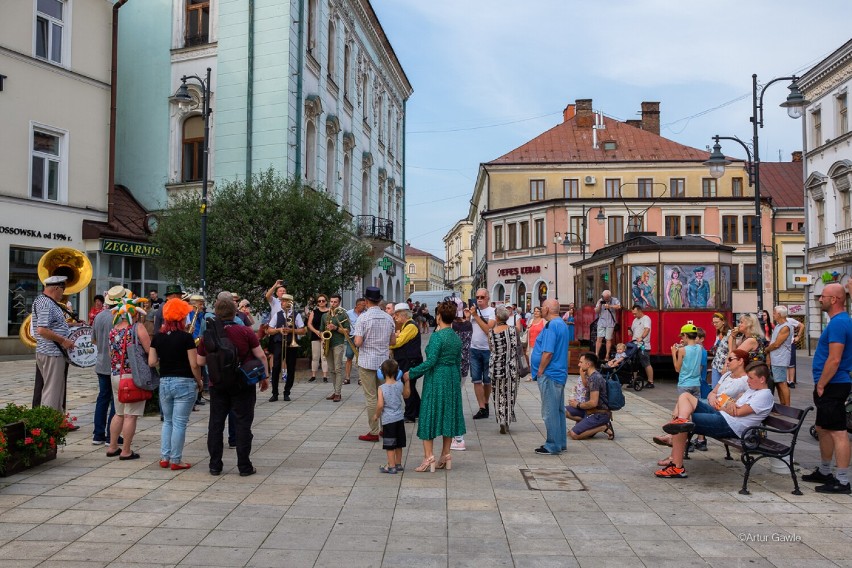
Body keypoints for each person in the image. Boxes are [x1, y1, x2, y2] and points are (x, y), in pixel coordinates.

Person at [654, 362, 774, 478]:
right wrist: (731, 406)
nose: (747, 380)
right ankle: (680, 422)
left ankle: (677, 467)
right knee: (685, 397)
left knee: (684, 422)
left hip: (730, 426)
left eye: (750, 378)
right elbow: (734, 406)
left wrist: (726, 407)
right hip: (723, 416)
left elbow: (737, 412)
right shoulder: (753, 390)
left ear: (762, 379)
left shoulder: (764, 395)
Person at [198, 298, 270, 476]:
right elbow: (261, 355)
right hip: (242, 383)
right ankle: (244, 466)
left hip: (218, 384)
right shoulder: (245, 331)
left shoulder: (209, 333)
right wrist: (265, 377)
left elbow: (200, 361)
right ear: (234, 312)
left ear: (216, 313)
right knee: (243, 424)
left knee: (215, 424)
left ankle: (215, 465)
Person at [801, 283, 852, 494]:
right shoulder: (837, 322)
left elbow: (835, 358)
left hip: (834, 383)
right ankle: (824, 471)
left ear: (834, 300)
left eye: (823, 296)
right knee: (823, 428)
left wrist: (822, 383)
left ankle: (842, 480)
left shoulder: (839, 323)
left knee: (838, 432)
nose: (819, 299)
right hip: (830, 383)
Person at [406, 301, 466, 472]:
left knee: (429, 413)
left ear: (439, 316)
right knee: (448, 413)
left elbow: (431, 361)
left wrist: (411, 373)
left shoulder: (437, 337)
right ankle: (445, 454)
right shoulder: (455, 337)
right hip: (452, 377)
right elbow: (457, 361)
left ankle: (429, 457)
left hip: (437, 377)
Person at [654, 349, 751, 450]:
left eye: (730, 359)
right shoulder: (727, 375)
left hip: (722, 413)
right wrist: (712, 398)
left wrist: (727, 404)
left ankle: (675, 439)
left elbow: (742, 402)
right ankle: (679, 439)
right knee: (684, 397)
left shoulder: (746, 380)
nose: (727, 362)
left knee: (684, 410)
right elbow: (713, 392)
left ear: (740, 361)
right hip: (711, 405)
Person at [149, 298, 202, 470]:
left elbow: (151, 362)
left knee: (168, 422)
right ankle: (176, 460)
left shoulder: (158, 337)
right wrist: (199, 381)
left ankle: (165, 457)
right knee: (180, 423)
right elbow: (194, 364)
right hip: (184, 382)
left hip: (164, 381)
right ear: (181, 318)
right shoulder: (187, 338)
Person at [106, 296, 151, 460]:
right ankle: (126, 450)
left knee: (118, 413)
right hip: (132, 376)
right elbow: (148, 349)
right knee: (131, 415)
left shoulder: (114, 330)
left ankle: (112, 447)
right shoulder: (137, 328)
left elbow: (111, 352)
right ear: (135, 314)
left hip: (115, 375)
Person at [352, 286, 396, 442]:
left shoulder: (362, 318)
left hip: (366, 361)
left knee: (371, 397)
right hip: (384, 362)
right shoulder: (388, 318)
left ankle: (374, 430)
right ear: (379, 301)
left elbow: (358, 341)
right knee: (384, 395)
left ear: (366, 301)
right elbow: (393, 341)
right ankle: (386, 428)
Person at [531, 298, 570, 455]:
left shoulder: (550, 326)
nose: (540, 310)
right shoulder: (562, 324)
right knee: (558, 410)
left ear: (547, 309)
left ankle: (552, 444)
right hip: (559, 373)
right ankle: (560, 442)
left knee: (549, 411)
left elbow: (548, 352)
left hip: (550, 373)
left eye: (542, 308)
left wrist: (540, 370)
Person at [32, 275, 75, 412]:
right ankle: (47, 424)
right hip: (52, 352)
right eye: (63, 289)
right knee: (52, 390)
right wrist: (63, 340)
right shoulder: (46, 303)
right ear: (56, 288)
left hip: (50, 352)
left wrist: (75, 324)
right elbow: (42, 330)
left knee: (56, 389)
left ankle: (57, 421)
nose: (63, 293)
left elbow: (52, 325)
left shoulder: (46, 301)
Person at [90, 286, 126, 445]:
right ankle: (112, 436)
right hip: (115, 364)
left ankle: (98, 434)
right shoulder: (119, 317)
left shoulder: (98, 316)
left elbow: (93, 340)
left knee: (102, 398)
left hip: (101, 362)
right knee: (116, 401)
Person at [267, 294, 305, 402]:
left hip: (291, 344)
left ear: (289, 302)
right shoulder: (277, 315)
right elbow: (269, 330)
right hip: (279, 343)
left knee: (291, 368)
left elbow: (303, 330)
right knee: (276, 368)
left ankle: (287, 392)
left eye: (284, 301)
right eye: (281, 301)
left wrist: (291, 331)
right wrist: (278, 330)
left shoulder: (296, 315)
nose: (281, 303)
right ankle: (274, 393)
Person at [374, 359, 410, 474]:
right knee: (399, 443)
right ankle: (398, 464)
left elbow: (380, 405)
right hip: (399, 419)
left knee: (390, 445)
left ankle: (391, 466)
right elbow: (407, 395)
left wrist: (376, 415)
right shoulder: (400, 384)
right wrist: (407, 382)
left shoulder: (381, 388)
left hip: (388, 421)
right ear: (397, 372)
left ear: (382, 373)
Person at [567, 352, 613, 440]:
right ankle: (585, 424)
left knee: (574, 434)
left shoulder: (595, 378)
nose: (579, 364)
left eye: (581, 362)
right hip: (589, 411)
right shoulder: (590, 375)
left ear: (588, 364)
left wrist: (577, 405)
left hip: (599, 414)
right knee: (562, 410)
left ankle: (603, 427)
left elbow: (593, 403)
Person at [488, 306, 520, 435]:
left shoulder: (492, 332)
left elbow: (491, 348)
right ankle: (506, 420)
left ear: (496, 317)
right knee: (510, 394)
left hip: (496, 367)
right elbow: (517, 346)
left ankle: (501, 418)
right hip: (511, 367)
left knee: (497, 394)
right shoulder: (513, 330)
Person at [390, 303, 423, 422]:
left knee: (407, 387)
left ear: (404, 314)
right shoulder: (406, 325)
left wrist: (389, 342)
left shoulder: (410, 326)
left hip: (410, 361)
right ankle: (418, 411)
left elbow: (398, 342)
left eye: (397, 315)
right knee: (411, 387)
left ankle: (410, 415)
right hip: (407, 360)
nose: (395, 317)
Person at [470, 288, 496, 419]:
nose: (479, 299)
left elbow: (488, 330)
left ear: (487, 298)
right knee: (476, 380)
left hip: (488, 350)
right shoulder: (472, 312)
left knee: (487, 381)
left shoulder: (492, 312)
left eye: (482, 297)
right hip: (474, 349)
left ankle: (486, 403)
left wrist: (475, 316)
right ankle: (481, 407)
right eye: (477, 297)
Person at [450, 301, 473, 451]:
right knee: (456, 398)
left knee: (453, 400)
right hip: (464, 366)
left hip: (453, 367)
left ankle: (457, 437)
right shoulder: (468, 325)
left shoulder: (451, 326)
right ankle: (456, 435)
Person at [321, 294, 351, 402]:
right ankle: (335, 390)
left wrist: (335, 327)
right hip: (328, 344)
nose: (333, 304)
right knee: (331, 369)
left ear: (339, 303)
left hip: (338, 343)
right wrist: (323, 337)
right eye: (332, 302)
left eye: (335, 302)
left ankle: (338, 393)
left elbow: (347, 331)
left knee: (338, 369)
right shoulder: (325, 316)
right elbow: (321, 331)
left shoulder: (342, 314)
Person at [764, 306, 793, 406]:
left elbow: (777, 344)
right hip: (776, 358)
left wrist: (766, 350)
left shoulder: (785, 327)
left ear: (779, 314)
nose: (773, 315)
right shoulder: (778, 326)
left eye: (774, 313)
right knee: (778, 383)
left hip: (780, 358)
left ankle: (787, 407)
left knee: (782, 383)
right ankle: (783, 405)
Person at [628, 304, 655, 387]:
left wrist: (642, 337)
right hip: (635, 344)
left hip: (644, 345)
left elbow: (647, 329)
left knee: (646, 362)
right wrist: (630, 332)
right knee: (634, 363)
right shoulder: (635, 320)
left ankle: (650, 381)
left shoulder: (646, 319)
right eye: (633, 313)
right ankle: (634, 380)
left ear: (640, 311)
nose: (634, 315)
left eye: (635, 313)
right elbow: (633, 331)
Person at [672, 323, 702, 397]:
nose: (682, 339)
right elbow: (693, 346)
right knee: (695, 407)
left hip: (684, 384)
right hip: (696, 384)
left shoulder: (682, 350)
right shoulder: (700, 348)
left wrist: (673, 353)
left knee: (684, 407)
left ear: (685, 335)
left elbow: (677, 369)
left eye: (682, 336)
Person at [306, 293, 330, 383]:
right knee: (315, 356)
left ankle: (325, 376)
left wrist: (325, 333)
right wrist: (316, 331)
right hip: (315, 335)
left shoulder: (329, 311)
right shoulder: (314, 312)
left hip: (326, 336)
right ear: (317, 303)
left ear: (326, 302)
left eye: (323, 301)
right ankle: (313, 375)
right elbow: (309, 324)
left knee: (324, 357)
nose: (321, 302)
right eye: (319, 301)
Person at [594, 290, 620, 360]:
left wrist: (610, 306)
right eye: (604, 297)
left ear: (610, 296)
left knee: (608, 339)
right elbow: (596, 311)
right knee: (599, 338)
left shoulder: (614, 300)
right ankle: (596, 354)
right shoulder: (600, 300)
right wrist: (599, 305)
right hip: (601, 321)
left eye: (607, 297)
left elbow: (619, 306)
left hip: (610, 322)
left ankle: (607, 355)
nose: (606, 299)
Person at [344, 297, 366, 383]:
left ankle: (360, 378)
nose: (365, 307)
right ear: (357, 305)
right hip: (351, 337)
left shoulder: (366, 314)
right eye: (363, 305)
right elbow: (345, 324)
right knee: (349, 356)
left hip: (362, 337)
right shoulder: (348, 313)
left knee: (361, 358)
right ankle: (347, 378)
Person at [709, 312, 732, 388]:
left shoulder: (730, 334)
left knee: (723, 388)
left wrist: (726, 365)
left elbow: (731, 350)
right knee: (714, 388)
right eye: (713, 322)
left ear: (723, 322)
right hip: (716, 364)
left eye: (717, 322)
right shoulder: (718, 334)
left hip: (725, 365)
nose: (715, 324)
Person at [526, 307, 546, 382]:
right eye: (535, 311)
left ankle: (540, 374)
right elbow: (528, 332)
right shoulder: (531, 321)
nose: (536, 313)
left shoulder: (543, 321)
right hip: (531, 343)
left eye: (538, 311)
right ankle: (533, 375)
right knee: (531, 360)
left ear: (541, 313)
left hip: (540, 345)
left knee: (538, 360)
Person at [786, 316, 804, 389]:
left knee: (791, 363)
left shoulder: (790, 320)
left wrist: (798, 337)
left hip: (790, 343)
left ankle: (791, 381)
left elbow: (802, 325)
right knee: (785, 363)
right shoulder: (778, 322)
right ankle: (787, 380)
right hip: (782, 344)